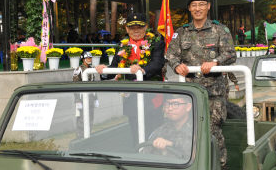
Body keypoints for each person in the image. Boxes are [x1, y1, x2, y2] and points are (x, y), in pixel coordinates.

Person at [165, 0, 236, 168]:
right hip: (189, 93)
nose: (198, 9)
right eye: (194, 5)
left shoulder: (220, 30)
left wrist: (215, 62)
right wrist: (176, 65)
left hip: (214, 92)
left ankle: (218, 166)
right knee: (188, 130)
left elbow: (230, 54)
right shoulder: (182, 32)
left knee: (213, 131)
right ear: (189, 8)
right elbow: (170, 54)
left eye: (201, 5)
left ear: (208, 7)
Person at [95, 13, 165, 143]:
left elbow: (157, 64)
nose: (136, 30)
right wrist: (103, 70)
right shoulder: (122, 45)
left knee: (154, 133)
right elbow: (114, 68)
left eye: (139, 27)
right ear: (127, 29)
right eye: (132, 28)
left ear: (146, 27)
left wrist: (142, 70)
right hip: (131, 97)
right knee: (136, 133)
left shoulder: (156, 42)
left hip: (152, 95)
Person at [143, 94, 192, 160]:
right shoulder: (160, 131)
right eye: (167, 104)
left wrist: (170, 145)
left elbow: (194, 156)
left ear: (188, 107)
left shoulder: (196, 129)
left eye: (175, 104)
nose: (170, 108)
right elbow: (144, 154)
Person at [72, 51, 98, 138]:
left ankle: (88, 135)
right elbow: (75, 85)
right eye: (87, 58)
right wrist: (77, 100)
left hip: (90, 97)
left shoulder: (92, 69)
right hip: (82, 97)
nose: (90, 59)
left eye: (90, 58)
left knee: (91, 118)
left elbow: (94, 84)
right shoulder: (78, 69)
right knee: (82, 119)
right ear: (83, 59)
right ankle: (80, 137)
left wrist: (95, 98)